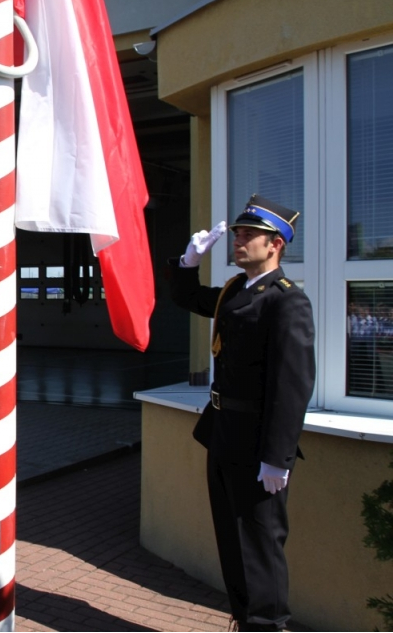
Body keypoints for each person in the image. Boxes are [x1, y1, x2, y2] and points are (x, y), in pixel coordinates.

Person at [169, 194, 316, 632]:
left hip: (257, 444)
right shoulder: (236, 291)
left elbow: (293, 387)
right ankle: (244, 619)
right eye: (237, 233)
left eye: (249, 234)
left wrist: (277, 457)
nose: (239, 240)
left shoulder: (286, 302)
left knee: (261, 544)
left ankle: (268, 625)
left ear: (276, 245)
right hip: (223, 432)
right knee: (232, 542)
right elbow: (189, 297)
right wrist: (189, 260)